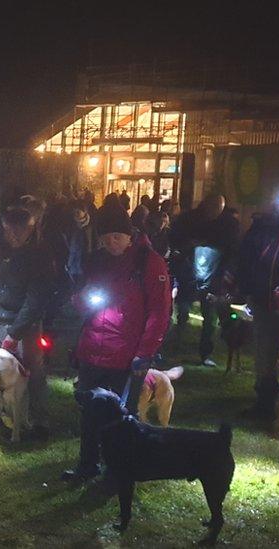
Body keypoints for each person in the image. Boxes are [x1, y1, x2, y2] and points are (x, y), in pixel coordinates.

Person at [61, 203, 172, 481]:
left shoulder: (149, 262)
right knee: (89, 412)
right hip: (93, 348)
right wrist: (82, 299)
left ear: (129, 235)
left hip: (127, 354)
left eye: (117, 237)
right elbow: (80, 299)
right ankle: (87, 464)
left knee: (121, 416)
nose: (111, 242)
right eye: (106, 237)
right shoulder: (97, 260)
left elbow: (159, 312)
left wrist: (145, 352)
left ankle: (118, 471)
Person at [0, 207, 52, 438]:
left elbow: (35, 298)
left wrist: (15, 332)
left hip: (23, 325)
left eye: (20, 229)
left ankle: (36, 419)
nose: (14, 234)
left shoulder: (38, 255)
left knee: (31, 371)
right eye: (9, 229)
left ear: (30, 228)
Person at [169, 194, 239, 366]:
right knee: (183, 311)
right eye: (212, 208)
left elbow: (233, 251)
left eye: (218, 209)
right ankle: (175, 346)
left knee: (210, 317)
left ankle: (205, 352)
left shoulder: (228, 225)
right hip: (189, 273)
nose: (213, 212)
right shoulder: (189, 220)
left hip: (213, 276)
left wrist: (225, 277)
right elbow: (176, 241)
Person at [236, 192, 279, 419]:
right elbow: (245, 259)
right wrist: (244, 288)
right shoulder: (262, 228)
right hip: (264, 303)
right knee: (264, 357)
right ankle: (265, 403)